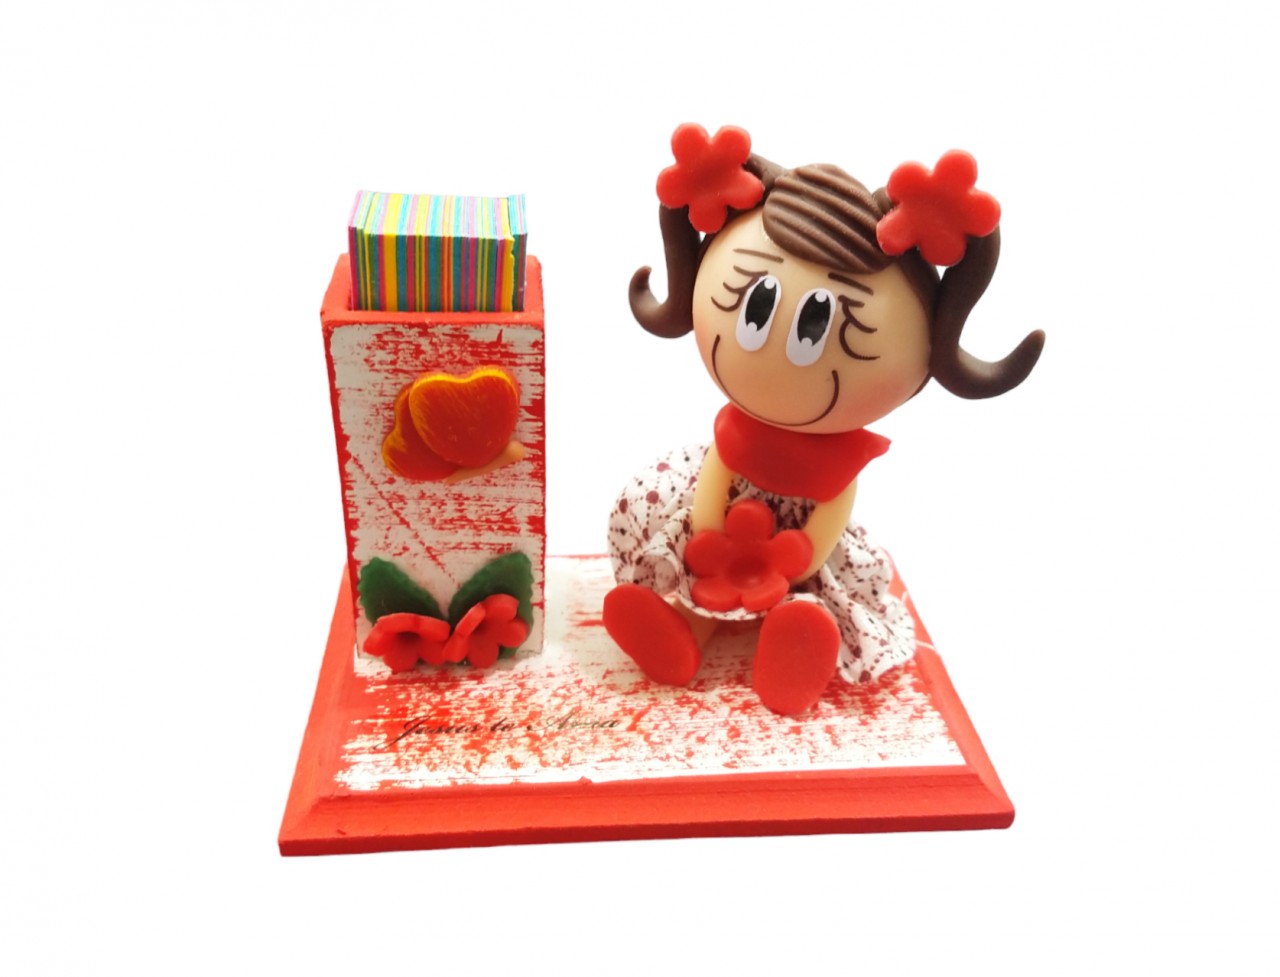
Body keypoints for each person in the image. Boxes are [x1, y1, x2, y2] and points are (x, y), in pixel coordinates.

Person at [605, 124, 1043, 715]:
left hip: (798, 553)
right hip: (721, 537)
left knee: (809, 595)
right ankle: (677, 631)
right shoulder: (737, 433)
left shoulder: (837, 461)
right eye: (755, 306)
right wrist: (709, 531)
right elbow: (715, 477)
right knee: (694, 570)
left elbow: (830, 511)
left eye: (819, 327)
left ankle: (795, 639)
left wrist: (798, 559)